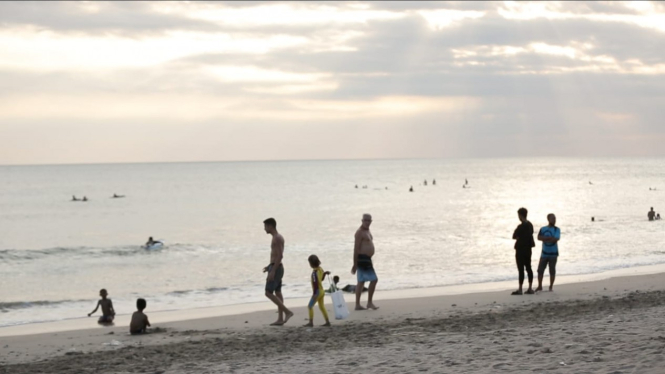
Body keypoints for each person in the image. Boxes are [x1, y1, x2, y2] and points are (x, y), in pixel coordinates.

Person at [263, 218, 294, 325]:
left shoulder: (277, 238)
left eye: (265, 226)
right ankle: (280, 318)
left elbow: (280, 255)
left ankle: (287, 312)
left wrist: (273, 271)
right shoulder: (275, 238)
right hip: (275, 267)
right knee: (278, 292)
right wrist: (269, 267)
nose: (264, 229)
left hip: (276, 268)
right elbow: (275, 255)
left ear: (270, 226)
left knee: (268, 292)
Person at [351, 213, 378, 310]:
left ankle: (358, 305)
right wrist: (354, 264)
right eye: (365, 220)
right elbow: (356, 248)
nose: (367, 222)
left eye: (369, 220)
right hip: (362, 259)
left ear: (371, 221)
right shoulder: (359, 232)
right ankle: (368, 303)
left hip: (367, 259)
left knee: (361, 282)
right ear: (362, 221)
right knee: (374, 280)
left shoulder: (367, 231)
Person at [512, 208, 535, 295]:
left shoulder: (520, 226)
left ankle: (520, 289)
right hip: (528, 249)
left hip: (520, 249)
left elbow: (514, 236)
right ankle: (530, 288)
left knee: (521, 269)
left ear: (520, 215)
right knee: (528, 267)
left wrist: (519, 237)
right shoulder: (530, 225)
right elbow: (530, 234)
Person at [304, 255, 331, 327]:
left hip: (317, 292)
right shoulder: (320, 269)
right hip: (322, 291)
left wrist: (314, 293)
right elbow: (321, 279)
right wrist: (325, 273)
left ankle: (310, 322)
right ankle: (327, 321)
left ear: (311, 264)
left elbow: (315, 283)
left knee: (310, 306)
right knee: (322, 307)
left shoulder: (314, 273)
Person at [536, 214, 561, 292]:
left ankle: (551, 286)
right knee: (540, 270)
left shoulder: (557, 229)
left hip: (553, 254)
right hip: (544, 253)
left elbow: (556, 239)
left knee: (552, 270)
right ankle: (540, 286)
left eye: (555, 218)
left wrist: (545, 239)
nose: (554, 220)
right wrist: (548, 238)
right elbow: (538, 237)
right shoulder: (543, 229)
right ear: (548, 219)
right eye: (552, 218)